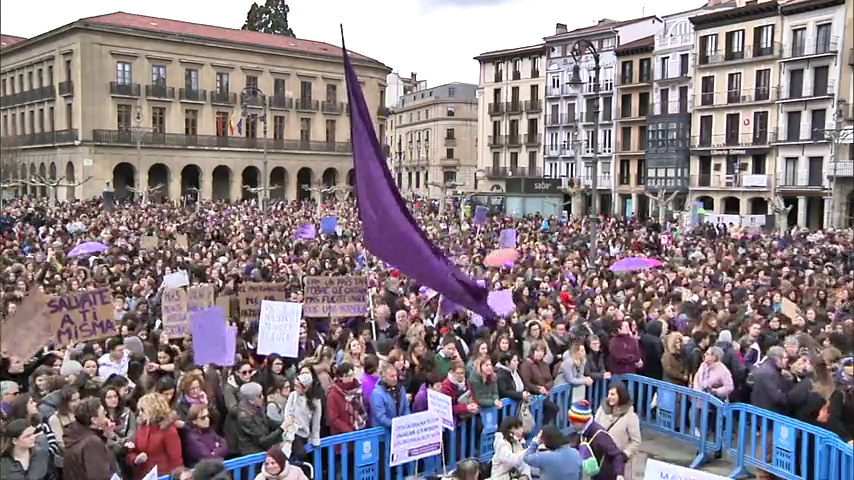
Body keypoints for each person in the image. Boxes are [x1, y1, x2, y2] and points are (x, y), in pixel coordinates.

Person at [126, 392, 183, 480]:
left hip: (163, 476)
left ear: (153, 410)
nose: (140, 413)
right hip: (143, 476)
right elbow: (132, 451)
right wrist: (135, 459)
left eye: (143, 410)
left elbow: (176, 460)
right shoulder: (141, 428)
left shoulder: (169, 430)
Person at [62, 397, 119, 480]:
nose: (106, 413)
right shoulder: (92, 443)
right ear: (94, 420)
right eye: (103, 413)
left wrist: (106, 434)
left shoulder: (75, 434)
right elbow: (99, 476)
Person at [223, 382, 286, 457]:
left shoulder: (257, 408)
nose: (262, 397)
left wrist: (284, 423)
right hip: (254, 456)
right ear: (251, 400)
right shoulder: (244, 417)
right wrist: (282, 429)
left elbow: (268, 422)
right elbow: (262, 441)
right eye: (259, 396)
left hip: (263, 450)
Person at [593, 382, 641, 480]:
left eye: (613, 394)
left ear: (621, 396)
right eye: (609, 394)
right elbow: (594, 427)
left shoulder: (630, 416)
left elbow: (636, 441)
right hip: (599, 458)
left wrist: (625, 454)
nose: (609, 397)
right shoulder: (602, 409)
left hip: (617, 461)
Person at [568, 400, 626, 480]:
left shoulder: (600, 436)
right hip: (594, 475)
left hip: (607, 476)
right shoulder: (581, 431)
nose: (571, 425)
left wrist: (619, 474)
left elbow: (617, 455)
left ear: (582, 421)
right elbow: (574, 447)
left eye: (574, 422)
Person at [370, 363, 410, 428]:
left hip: (401, 430)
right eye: (392, 376)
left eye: (395, 375)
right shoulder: (377, 394)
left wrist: (405, 421)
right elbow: (381, 417)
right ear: (383, 377)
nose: (395, 379)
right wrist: (396, 425)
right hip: (384, 432)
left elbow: (406, 407)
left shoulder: (401, 389)